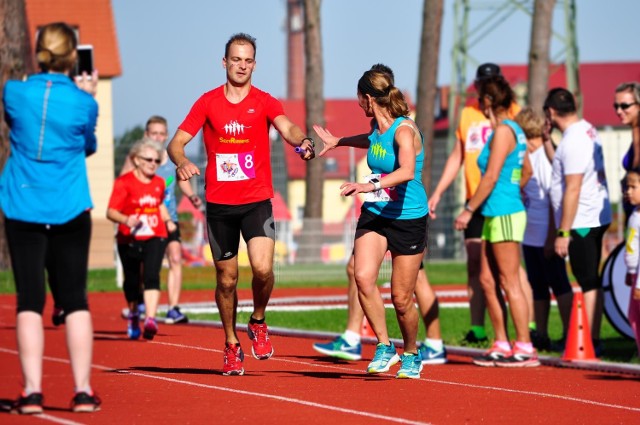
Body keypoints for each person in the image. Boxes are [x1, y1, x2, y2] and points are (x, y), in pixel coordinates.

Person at [166, 33, 314, 376]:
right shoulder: (207, 102)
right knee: (227, 280)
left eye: (248, 60)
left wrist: (303, 141)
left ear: (254, 64)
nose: (242, 66)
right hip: (220, 205)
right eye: (236, 59)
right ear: (225, 62)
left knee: (263, 269)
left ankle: (258, 319)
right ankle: (231, 344)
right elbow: (176, 143)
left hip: (256, 200)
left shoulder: (264, 101)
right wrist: (181, 161)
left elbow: (287, 126)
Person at [312, 63, 445, 366]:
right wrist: (339, 142)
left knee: (400, 298)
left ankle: (411, 352)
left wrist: (365, 184)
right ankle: (385, 346)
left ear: (368, 98)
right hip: (376, 213)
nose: (358, 103)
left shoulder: (405, 130)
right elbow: (371, 141)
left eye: (359, 98)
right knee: (362, 276)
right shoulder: (377, 128)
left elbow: (407, 171)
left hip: (408, 217)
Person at [0, 22, 101, 413]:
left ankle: (32, 391)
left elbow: (16, 126)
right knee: (75, 299)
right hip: (69, 205)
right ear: (72, 57)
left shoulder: (13, 92)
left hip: (23, 203)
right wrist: (84, 94)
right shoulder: (84, 103)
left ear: (38, 51)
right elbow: (88, 145)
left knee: (29, 299)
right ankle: (82, 391)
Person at [429, 63, 526, 344]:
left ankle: (526, 334)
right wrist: (438, 192)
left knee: (511, 272)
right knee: (481, 270)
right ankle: (487, 331)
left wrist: (512, 191)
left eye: (490, 84)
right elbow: (457, 156)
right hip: (476, 199)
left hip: (500, 203)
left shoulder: (512, 115)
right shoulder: (468, 114)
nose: (484, 90)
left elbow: (523, 161)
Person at [454, 75, 539, 367]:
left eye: (480, 99)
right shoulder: (507, 130)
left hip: (503, 213)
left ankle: (525, 346)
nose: (478, 105)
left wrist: (468, 210)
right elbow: (525, 170)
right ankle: (502, 342)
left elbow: (490, 177)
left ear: (488, 101)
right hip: (496, 212)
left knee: (509, 281)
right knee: (488, 280)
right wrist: (511, 189)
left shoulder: (505, 130)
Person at [544, 87, 612, 356]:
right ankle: (593, 337)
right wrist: (548, 141)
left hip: (582, 218)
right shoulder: (583, 130)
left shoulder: (573, 141)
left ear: (550, 112)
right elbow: (562, 167)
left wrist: (563, 231)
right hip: (594, 213)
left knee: (587, 281)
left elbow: (572, 187)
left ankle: (592, 340)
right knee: (590, 278)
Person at [120, 116, 203, 324]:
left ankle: (173, 308)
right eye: (153, 133)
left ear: (166, 135)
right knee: (143, 266)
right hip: (144, 222)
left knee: (175, 257)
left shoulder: (170, 158)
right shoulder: (137, 158)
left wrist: (192, 196)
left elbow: (181, 180)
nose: (157, 137)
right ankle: (139, 301)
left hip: (169, 219)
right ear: (147, 135)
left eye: (161, 133)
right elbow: (123, 181)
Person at [313, 257, 446, 365]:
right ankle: (354, 338)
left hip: (403, 226)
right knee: (358, 269)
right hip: (381, 225)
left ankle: (430, 345)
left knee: (415, 278)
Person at [515, 107, 573, 350]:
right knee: (538, 285)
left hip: (545, 234)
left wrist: (552, 236)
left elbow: (553, 201)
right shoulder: (528, 157)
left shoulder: (544, 160)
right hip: (530, 236)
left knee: (559, 283)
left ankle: (571, 333)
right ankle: (541, 333)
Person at [107, 138, 176, 341]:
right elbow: (111, 212)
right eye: (148, 159)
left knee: (152, 276)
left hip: (156, 234)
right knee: (132, 282)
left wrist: (168, 221)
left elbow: (159, 204)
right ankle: (134, 314)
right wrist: (126, 219)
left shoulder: (159, 183)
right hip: (128, 237)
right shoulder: (123, 183)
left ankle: (151, 319)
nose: (153, 164)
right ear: (136, 160)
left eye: (156, 160)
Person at [615, 82, 640, 220]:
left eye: (624, 106)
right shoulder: (635, 132)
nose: (619, 111)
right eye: (616, 106)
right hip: (632, 215)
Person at [622, 167, 640, 357]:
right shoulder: (635, 213)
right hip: (635, 274)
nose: (628, 191)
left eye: (633, 187)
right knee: (634, 317)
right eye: (627, 187)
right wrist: (630, 270)